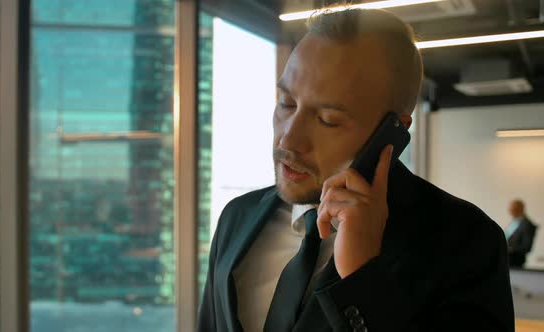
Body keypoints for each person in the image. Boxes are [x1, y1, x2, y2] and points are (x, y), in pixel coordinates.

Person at [197, 8, 514, 332]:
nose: (289, 138)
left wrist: (362, 280)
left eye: (328, 120)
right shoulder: (237, 216)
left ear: (391, 131)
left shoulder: (466, 241)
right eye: (287, 103)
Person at [506, 199, 538, 268]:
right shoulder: (514, 222)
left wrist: (510, 249)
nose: (509, 210)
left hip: (515, 262)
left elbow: (527, 247)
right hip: (506, 261)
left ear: (519, 209)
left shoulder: (528, 225)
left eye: (512, 208)